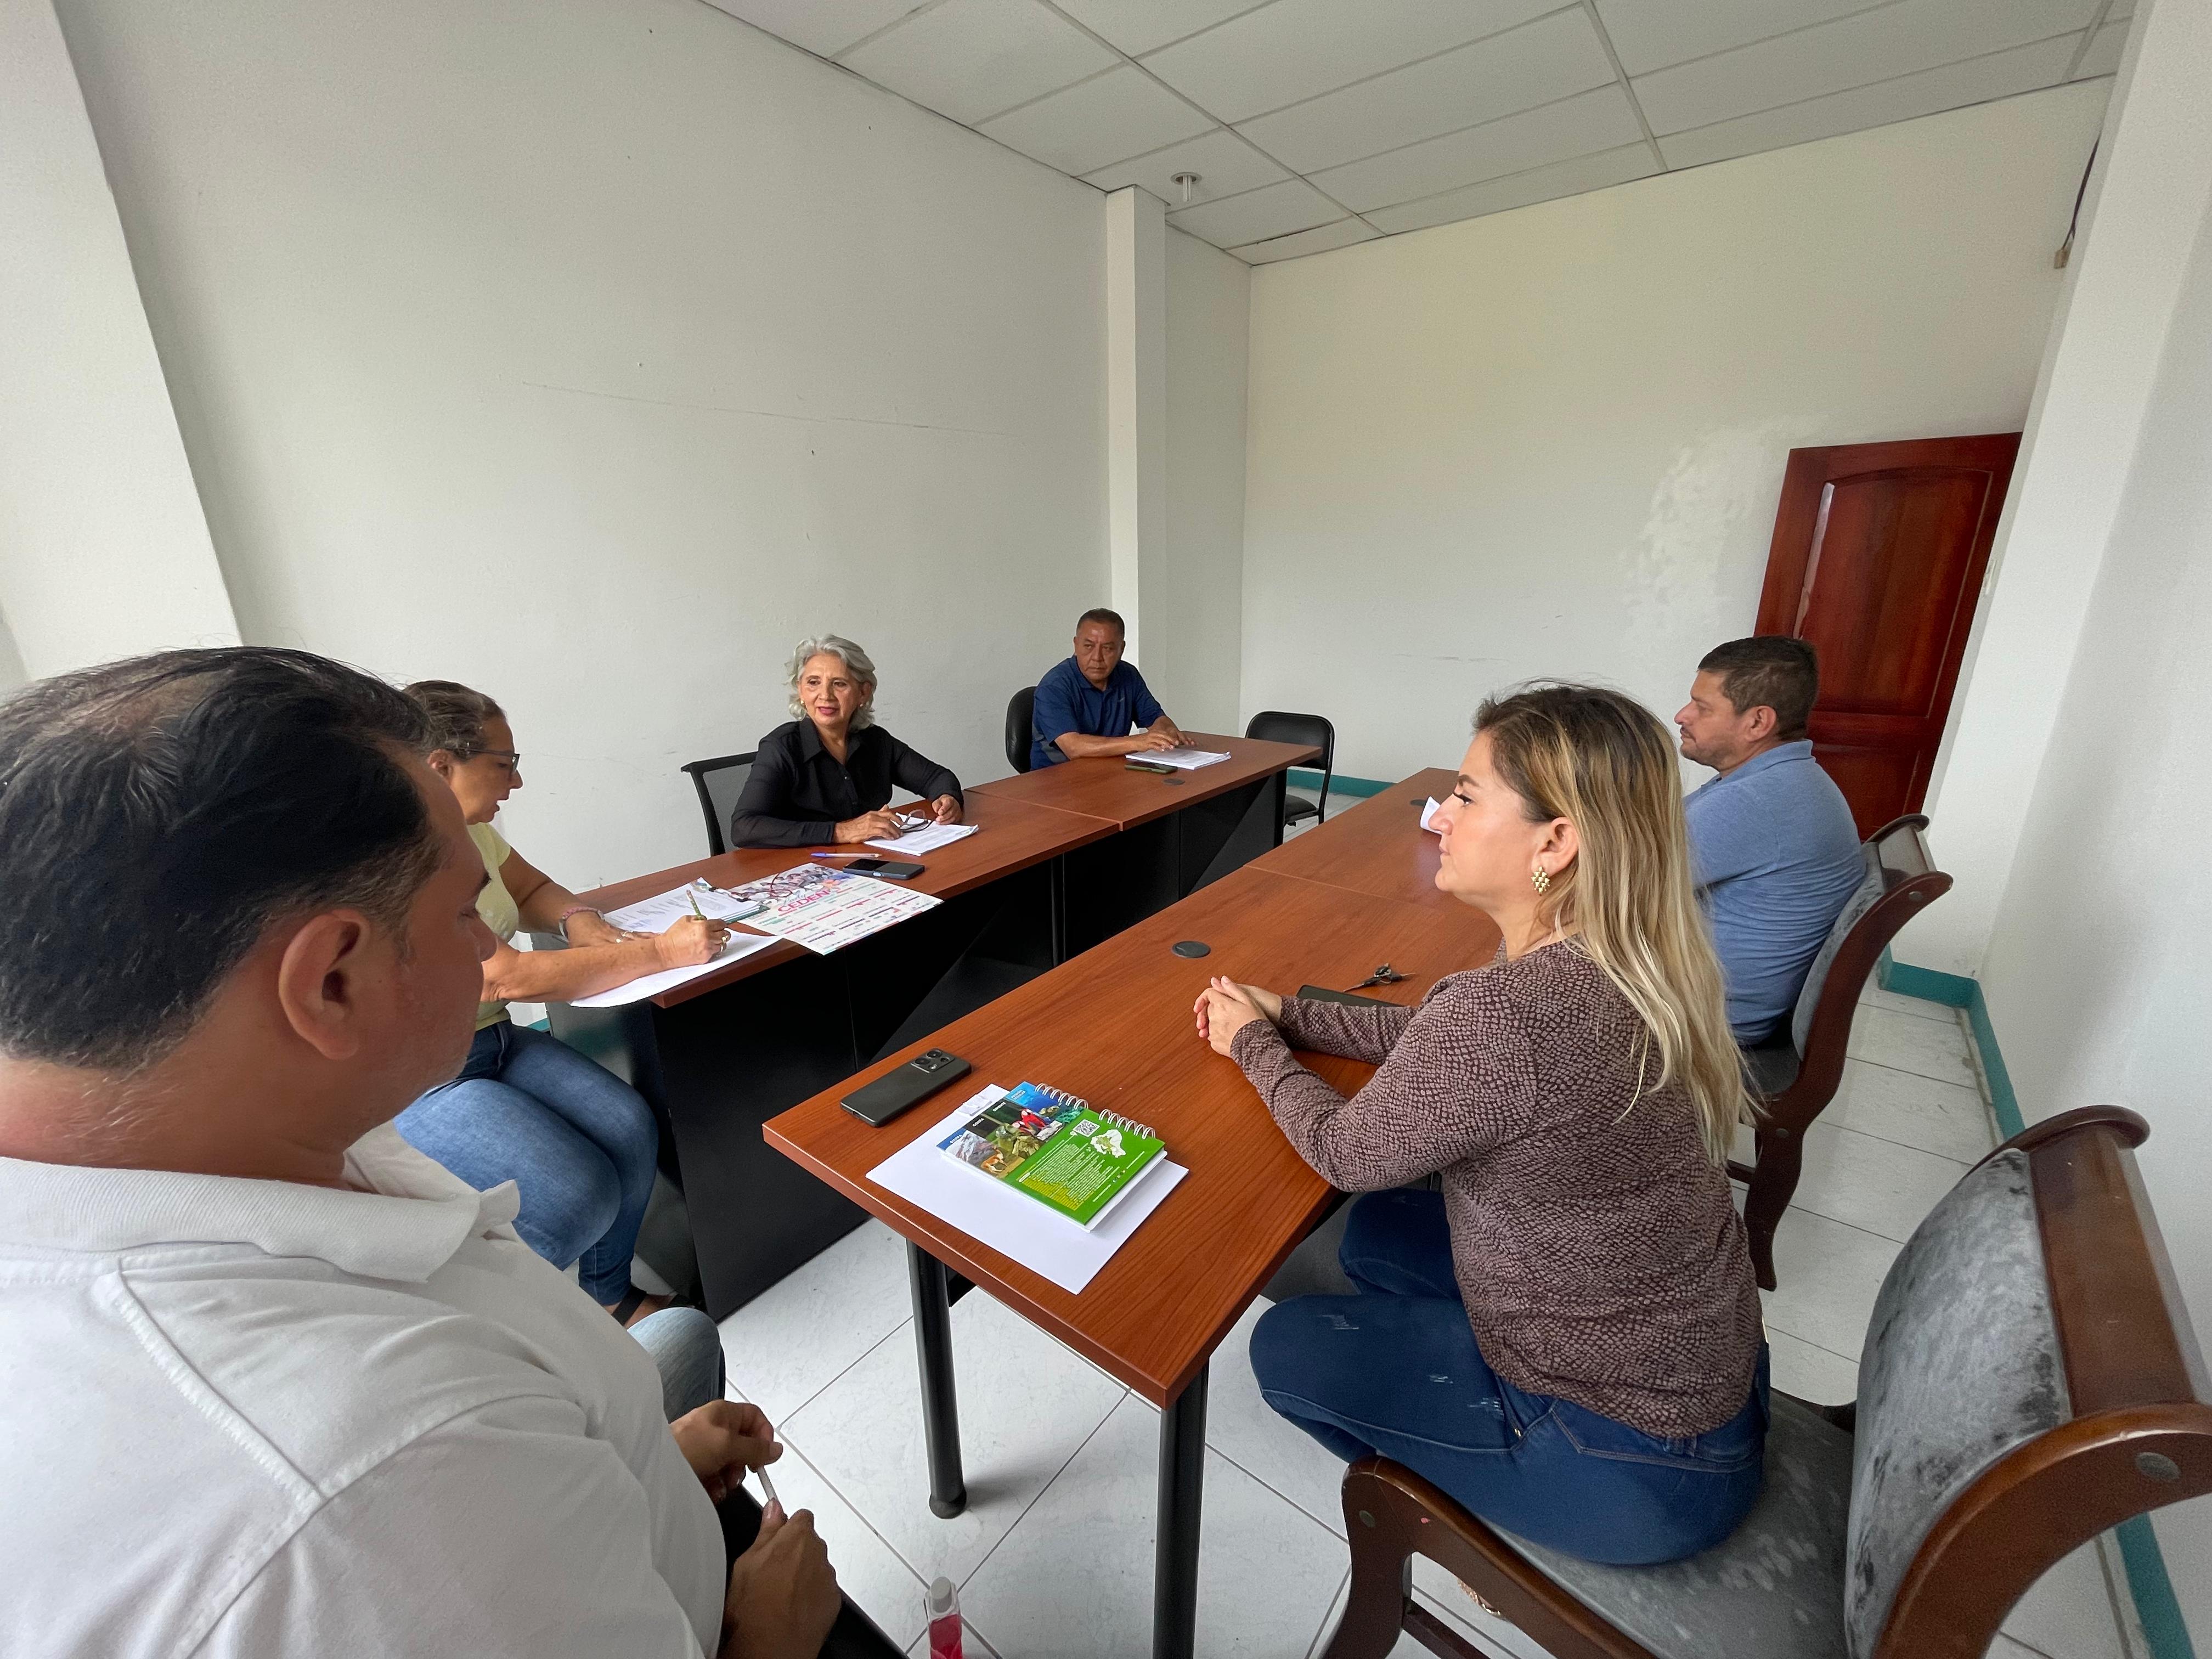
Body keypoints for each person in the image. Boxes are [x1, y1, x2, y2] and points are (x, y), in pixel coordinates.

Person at [0, 647, 865, 1657]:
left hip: (617, 1480)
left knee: (659, 1279)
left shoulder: (269, 1139)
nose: (486, 948)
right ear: (331, 983)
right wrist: (769, 1636)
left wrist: (648, 1461)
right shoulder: (381, 1477)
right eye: (462, 914)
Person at [1194, 684, 1767, 1567]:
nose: (1442, 817)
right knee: (1379, 1235)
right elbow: (1442, 1044)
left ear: (1556, 842)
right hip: (1703, 1377)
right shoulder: (1626, 954)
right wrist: (1292, 1014)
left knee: (1286, 1346)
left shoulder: (1507, 1012)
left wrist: (1252, 1045)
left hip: (1635, 1458)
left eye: (1465, 796)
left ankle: (1465, 1530)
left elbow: (1346, 1152)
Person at [395, 680, 724, 1326]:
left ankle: (609, 1295)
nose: (516, 782)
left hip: (493, 1039)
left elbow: (531, 888)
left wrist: (578, 918)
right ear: (441, 765)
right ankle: (537, 1330)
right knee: (577, 1196)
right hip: (426, 1075)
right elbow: (505, 978)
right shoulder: (400, 860)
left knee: (631, 1128)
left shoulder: (472, 833)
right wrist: (661, 953)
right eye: (505, 764)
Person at [1674, 636, 1864, 1045]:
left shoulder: (1755, 801)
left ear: (1758, 722)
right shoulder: (1783, 779)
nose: (1681, 716)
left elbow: (1606, 886)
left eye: (1702, 707)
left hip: (1701, 1025)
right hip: (1701, 998)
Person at [730, 635, 962, 849]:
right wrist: (841, 832)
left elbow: (937, 778)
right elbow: (744, 827)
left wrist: (948, 799)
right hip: (802, 870)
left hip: (870, 861)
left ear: (863, 693)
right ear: (800, 691)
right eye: (813, 682)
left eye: (839, 684)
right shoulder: (781, 747)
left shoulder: (876, 741)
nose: (825, 695)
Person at [1029, 607, 1185, 768]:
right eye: (1088, 646)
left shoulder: (1128, 675)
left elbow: (1155, 718)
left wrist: (1167, 733)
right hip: (1057, 776)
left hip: (1110, 771)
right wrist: (1137, 742)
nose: (1097, 658)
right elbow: (1074, 748)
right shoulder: (1054, 686)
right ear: (1076, 645)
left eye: (1108, 648)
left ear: (1121, 649)